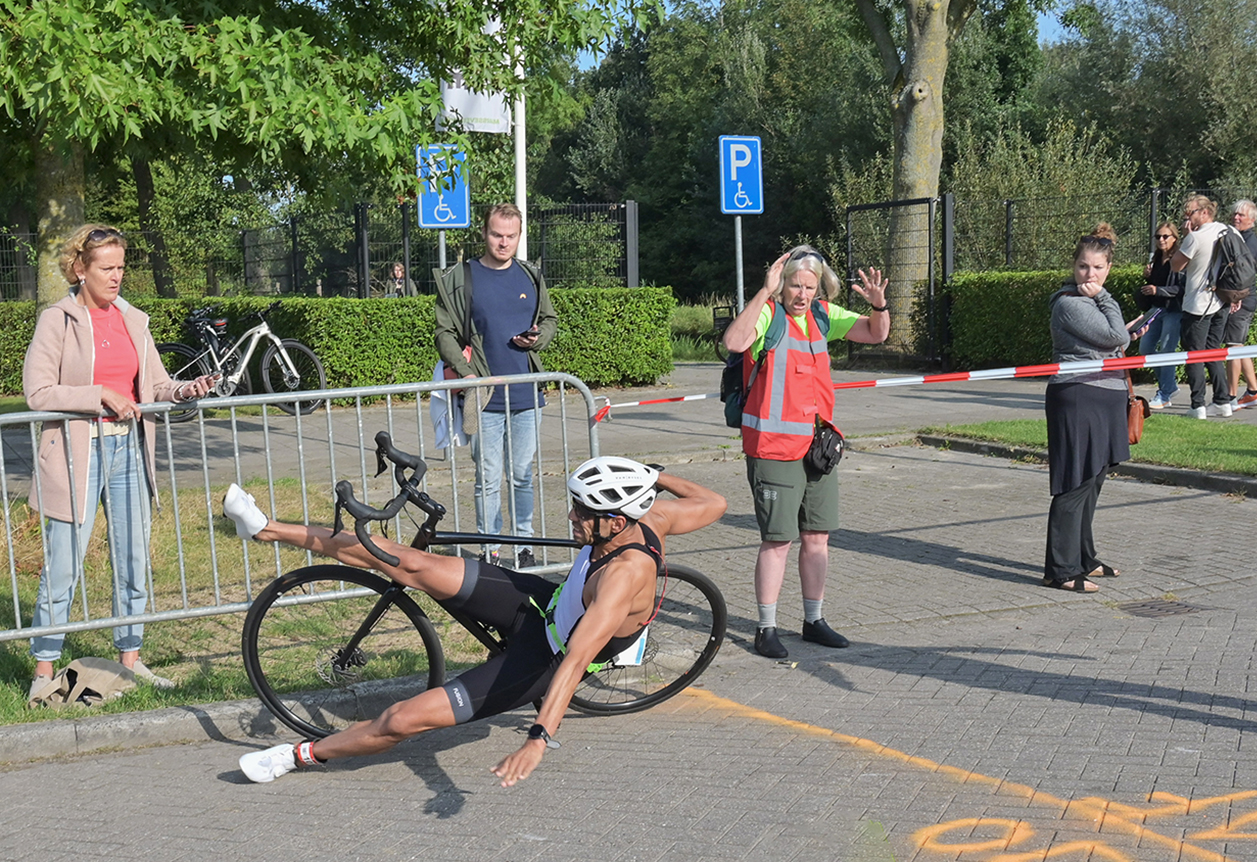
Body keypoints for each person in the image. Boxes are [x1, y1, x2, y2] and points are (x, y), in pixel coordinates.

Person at [228, 457, 727, 786]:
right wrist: (651, 475)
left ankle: (296, 756)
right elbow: (715, 503)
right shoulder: (647, 516)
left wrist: (538, 739)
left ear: (615, 522)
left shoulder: (624, 575)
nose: (572, 517)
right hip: (543, 605)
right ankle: (266, 529)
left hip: (546, 658)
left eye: (582, 511)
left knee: (402, 719)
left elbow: (575, 662)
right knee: (404, 560)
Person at [21, 224, 217, 700]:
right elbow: (38, 392)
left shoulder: (133, 319)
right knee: (63, 566)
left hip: (130, 449)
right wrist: (99, 396)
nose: (116, 276)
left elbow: (154, 385)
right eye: (106, 268)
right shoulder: (57, 320)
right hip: (76, 455)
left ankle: (130, 662)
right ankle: (44, 672)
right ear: (79, 269)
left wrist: (184, 390)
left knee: (133, 561)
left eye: (121, 267)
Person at [721, 246, 890, 659]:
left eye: (810, 287)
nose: (802, 294)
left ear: (819, 288)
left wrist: (879, 305)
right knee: (777, 540)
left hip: (817, 449)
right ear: (783, 285)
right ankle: (766, 628)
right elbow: (734, 341)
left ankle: (813, 620)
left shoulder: (822, 316)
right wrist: (765, 291)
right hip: (772, 449)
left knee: (817, 538)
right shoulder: (769, 315)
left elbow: (876, 333)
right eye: (795, 285)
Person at [434, 204, 557, 570]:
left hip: (526, 394)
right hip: (483, 397)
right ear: (484, 233)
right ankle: (491, 549)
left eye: (511, 236)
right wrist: (465, 372)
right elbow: (444, 333)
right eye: (496, 235)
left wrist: (537, 338)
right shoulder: (461, 277)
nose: (504, 242)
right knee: (487, 478)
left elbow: (549, 320)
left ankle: (524, 545)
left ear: (519, 236)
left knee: (522, 476)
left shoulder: (531, 275)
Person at [1043, 225, 1149, 593]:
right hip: (1078, 396)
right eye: (1084, 266)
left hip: (1105, 396)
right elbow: (1113, 336)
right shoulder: (1069, 303)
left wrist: (1125, 334)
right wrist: (1106, 300)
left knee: (1094, 480)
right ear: (1073, 266)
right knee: (1075, 481)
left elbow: (1113, 341)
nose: (1090, 274)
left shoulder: (1093, 303)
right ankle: (1060, 570)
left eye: (1098, 268)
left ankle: (1084, 558)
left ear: (1109, 268)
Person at [1169, 195, 1234, 418]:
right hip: (1222, 301)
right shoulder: (1228, 231)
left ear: (1205, 212)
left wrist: (1186, 236)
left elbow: (1176, 266)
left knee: (1194, 354)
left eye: (1190, 213)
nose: (1187, 217)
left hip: (1198, 304)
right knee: (1214, 350)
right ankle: (1223, 401)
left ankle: (1197, 405)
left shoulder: (1195, 237)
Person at [1135, 221, 1186, 409]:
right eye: (1158, 237)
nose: (1161, 240)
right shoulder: (1156, 258)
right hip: (1155, 310)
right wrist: (1148, 277)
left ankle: (1164, 393)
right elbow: (1153, 285)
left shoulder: (1180, 259)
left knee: (1166, 351)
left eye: (1165, 236)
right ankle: (1170, 385)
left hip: (1173, 310)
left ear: (1174, 238)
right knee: (1145, 349)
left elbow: (1181, 288)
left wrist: (1158, 290)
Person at [1224, 200, 1257, 410]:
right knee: (1238, 345)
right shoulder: (1239, 238)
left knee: (1232, 348)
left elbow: (1244, 272)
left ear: (1252, 219)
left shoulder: (1248, 241)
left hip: (1242, 299)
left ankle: (1230, 397)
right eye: (1234, 214)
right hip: (1241, 297)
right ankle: (1252, 392)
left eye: (1241, 215)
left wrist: (1236, 297)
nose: (1236, 217)